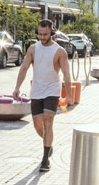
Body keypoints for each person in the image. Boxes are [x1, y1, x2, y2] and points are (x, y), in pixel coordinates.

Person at [12, 19, 73, 173]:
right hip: (37, 91)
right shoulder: (33, 49)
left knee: (47, 121)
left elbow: (66, 74)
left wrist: (69, 96)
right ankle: (49, 145)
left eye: (45, 34)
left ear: (52, 32)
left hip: (52, 90)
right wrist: (17, 87)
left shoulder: (60, 51)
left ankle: (45, 159)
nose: (42, 37)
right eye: (40, 34)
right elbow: (24, 68)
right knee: (38, 126)